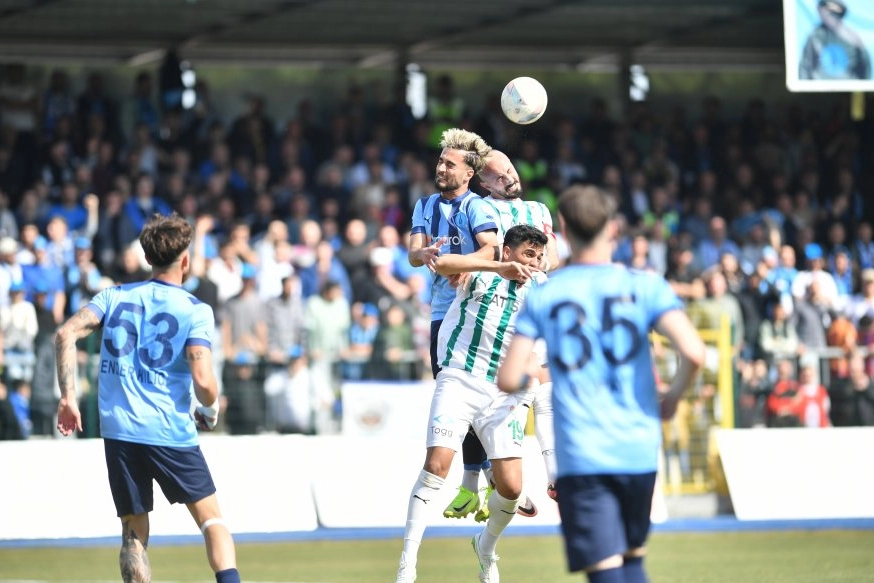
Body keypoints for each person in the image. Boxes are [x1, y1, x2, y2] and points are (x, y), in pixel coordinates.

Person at [497, 185, 705, 583]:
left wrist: (532, 374)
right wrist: (673, 397)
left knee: (605, 572)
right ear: (613, 228)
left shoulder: (547, 293)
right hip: (637, 448)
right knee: (633, 561)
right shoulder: (646, 285)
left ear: (562, 229)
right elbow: (694, 353)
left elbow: (509, 377)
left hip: (583, 454)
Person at [54, 213, 242, 583]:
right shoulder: (194, 309)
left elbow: (64, 334)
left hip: (120, 430)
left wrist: (68, 397)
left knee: (133, 533)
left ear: (146, 257)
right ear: (185, 260)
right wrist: (210, 406)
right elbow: (203, 380)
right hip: (169, 431)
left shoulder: (113, 296)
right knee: (211, 520)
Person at [395, 224, 549, 583]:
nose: (535, 263)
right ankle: (407, 566)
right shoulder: (481, 272)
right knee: (436, 465)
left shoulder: (543, 290)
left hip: (505, 394)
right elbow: (444, 264)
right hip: (461, 377)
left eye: (539, 257)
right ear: (507, 252)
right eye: (529, 254)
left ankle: (485, 547)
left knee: (511, 489)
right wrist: (496, 266)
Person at [443, 149, 559, 522]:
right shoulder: (478, 208)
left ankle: (555, 477)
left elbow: (551, 258)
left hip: (532, 300)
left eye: (510, 169)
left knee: (545, 386)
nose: (509, 176)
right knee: (478, 393)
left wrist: (535, 264)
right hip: (489, 306)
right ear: (483, 182)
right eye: (499, 174)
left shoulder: (540, 209)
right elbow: (479, 253)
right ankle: (480, 476)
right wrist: (498, 265)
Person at [799, 0, 871, 81]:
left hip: (848, 87)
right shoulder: (816, 36)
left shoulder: (852, 38)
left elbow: (864, 67)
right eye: (824, 12)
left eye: (832, 14)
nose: (828, 16)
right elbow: (805, 67)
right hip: (820, 89)